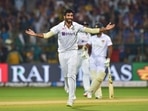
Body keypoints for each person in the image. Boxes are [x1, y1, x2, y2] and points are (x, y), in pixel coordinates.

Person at [25, 9, 115, 107]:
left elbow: (91, 30)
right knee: (66, 74)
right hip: (62, 53)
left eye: (71, 15)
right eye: (68, 15)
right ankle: (67, 85)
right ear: (64, 17)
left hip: (73, 52)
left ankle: (71, 98)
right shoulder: (59, 27)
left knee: (72, 75)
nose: (70, 17)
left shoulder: (76, 26)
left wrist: (105, 29)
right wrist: (35, 34)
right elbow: (46, 35)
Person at [86, 22, 113, 99]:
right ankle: (98, 95)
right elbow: (87, 46)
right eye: (95, 29)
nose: (96, 30)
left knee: (99, 78)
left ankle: (90, 91)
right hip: (92, 59)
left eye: (98, 28)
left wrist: (108, 58)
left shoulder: (106, 38)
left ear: (101, 29)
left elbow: (110, 48)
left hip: (102, 58)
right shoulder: (92, 38)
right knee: (94, 78)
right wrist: (85, 52)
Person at [76, 21, 91, 97]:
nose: (86, 27)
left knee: (86, 72)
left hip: (85, 54)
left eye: (87, 25)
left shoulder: (89, 34)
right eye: (84, 26)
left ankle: (87, 91)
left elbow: (90, 45)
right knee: (74, 72)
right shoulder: (78, 34)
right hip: (78, 54)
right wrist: (83, 46)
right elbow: (74, 45)